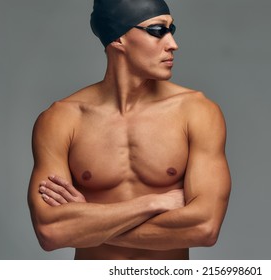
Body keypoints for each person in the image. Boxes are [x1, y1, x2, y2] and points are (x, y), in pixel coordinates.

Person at [28, 0, 231, 260]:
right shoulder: (61, 119)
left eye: (172, 30)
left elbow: (204, 227)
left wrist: (89, 221)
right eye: (157, 31)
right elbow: (51, 231)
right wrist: (152, 202)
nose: (172, 44)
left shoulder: (197, 112)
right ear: (118, 38)